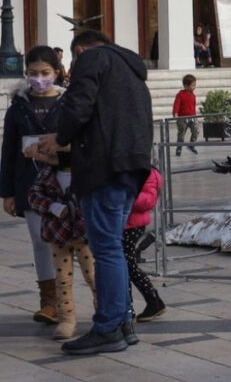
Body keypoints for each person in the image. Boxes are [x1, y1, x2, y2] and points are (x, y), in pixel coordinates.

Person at [37, 30, 154, 355]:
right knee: (112, 247)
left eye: (73, 60)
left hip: (104, 170)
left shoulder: (93, 58)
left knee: (106, 250)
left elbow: (78, 107)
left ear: (81, 49)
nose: (72, 68)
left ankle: (107, 328)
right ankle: (123, 324)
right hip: (131, 168)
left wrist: (60, 137)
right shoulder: (131, 69)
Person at [0, 45, 64, 325]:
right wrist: (7, 192)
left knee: (69, 243)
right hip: (29, 182)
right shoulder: (18, 109)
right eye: (33, 73)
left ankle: (67, 298)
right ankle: (49, 301)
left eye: (45, 73)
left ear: (57, 73)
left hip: (64, 180)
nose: (39, 79)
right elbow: (8, 151)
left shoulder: (68, 104)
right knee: (40, 241)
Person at [27, 159, 96, 340]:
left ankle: (103, 314)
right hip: (57, 234)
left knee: (93, 276)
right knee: (63, 279)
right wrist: (53, 207)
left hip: (83, 235)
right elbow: (34, 196)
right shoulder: (47, 174)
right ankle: (66, 319)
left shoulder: (86, 169)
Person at [124, 167, 166, 323]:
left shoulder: (147, 172)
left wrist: (126, 194)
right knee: (127, 265)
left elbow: (148, 201)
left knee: (126, 266)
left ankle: (130, 309)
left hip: (132, 224)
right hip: (126, 223)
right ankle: (152, 302)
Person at [173, 74, 199, 156]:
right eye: (193, 85)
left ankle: (191, 145)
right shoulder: (180, 95)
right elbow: (176, 105)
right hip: (182, 118)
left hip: (192, 117)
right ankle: (179, 148)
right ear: (186, 86)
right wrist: (175, 114)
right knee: (181, 134)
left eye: (195, 85)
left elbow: (193, 106)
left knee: (196, 130)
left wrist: (195, 116)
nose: (194, 87)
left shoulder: (193, 95)